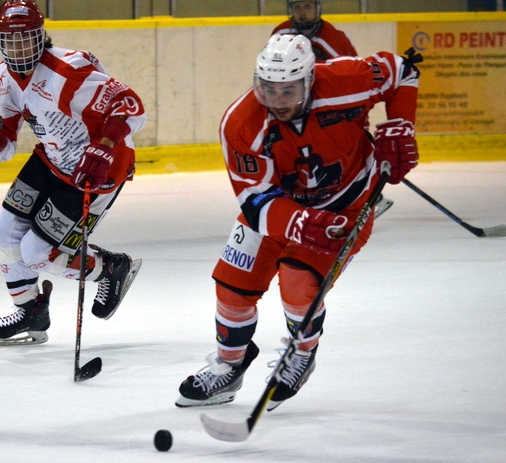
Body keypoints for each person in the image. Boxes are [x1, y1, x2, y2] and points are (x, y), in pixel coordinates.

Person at [175, 34, 419, 410]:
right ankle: (229, 365)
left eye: (287, 91)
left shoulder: (346, 79)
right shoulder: (240, 123)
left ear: (309, 81)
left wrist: (401, 124)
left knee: (298, 281)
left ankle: (301, 354)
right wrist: (299, 222)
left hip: (347, 205)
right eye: (267, 89)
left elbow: (403, 70)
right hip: (281, 210)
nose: (276, 101)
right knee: (232, 285)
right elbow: (255, 200)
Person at [0, 0, 146, 346]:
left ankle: (110, 268)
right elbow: (5, 135)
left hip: (97, 170)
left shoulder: (68, 72)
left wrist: (104, 147)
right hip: (51, 159)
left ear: (41, 36)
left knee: (36, 253)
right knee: (3, 233)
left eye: (27, 39)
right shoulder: (3, 79)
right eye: (11, 40)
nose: (19, 48)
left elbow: (130, 106)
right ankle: (29, 311)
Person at [272, 0, 394, 217]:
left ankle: (367, 197)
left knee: (337, 159)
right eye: (297, 7)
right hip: (295, 110)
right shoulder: (280, 33)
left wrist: (358, 123)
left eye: (307, 6)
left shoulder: (335, 40)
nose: (302, 12)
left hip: (328, 112)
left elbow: (355, 81)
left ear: (318, 8)